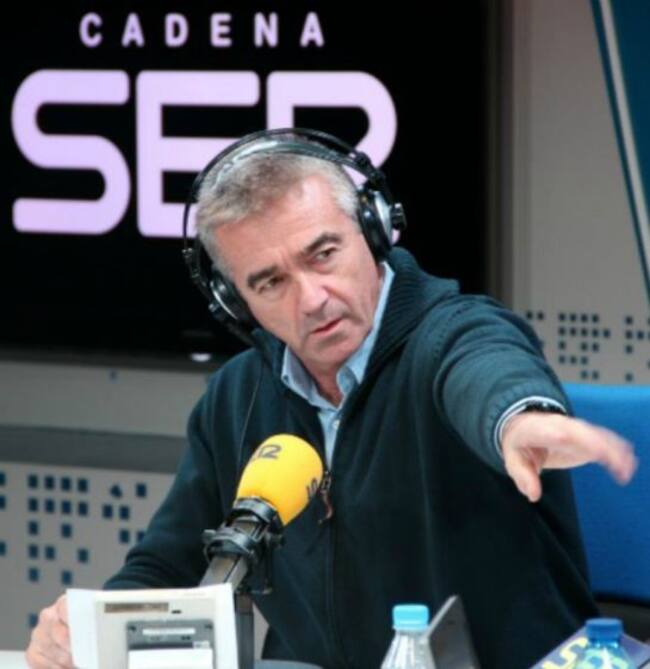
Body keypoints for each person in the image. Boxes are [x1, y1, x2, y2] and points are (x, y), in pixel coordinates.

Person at [26, 130, 637, 669]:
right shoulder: (236, 399)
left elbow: (485, 367)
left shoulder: (452, 336)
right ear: (235, 301)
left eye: (323, 254)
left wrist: (515, 418)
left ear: (372, 231)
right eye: (271, 281)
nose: (312, 298)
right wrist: (88, 629)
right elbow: (168, 569)